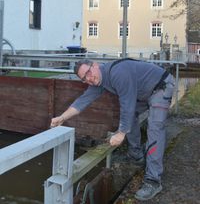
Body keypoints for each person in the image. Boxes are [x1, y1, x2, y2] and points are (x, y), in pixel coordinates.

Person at [50, 58, 175, 201]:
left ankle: (153, 180)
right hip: (144, 92)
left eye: (89, 73)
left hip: (161, 86)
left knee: (155, 128)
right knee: (131, 116)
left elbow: (127, 104)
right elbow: (82, 101)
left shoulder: (117, 73)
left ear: (95, 65)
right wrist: (62, 117)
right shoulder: (99, 81)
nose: (89, 79)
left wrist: (121, 133)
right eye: (84, 79)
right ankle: (136, 155)